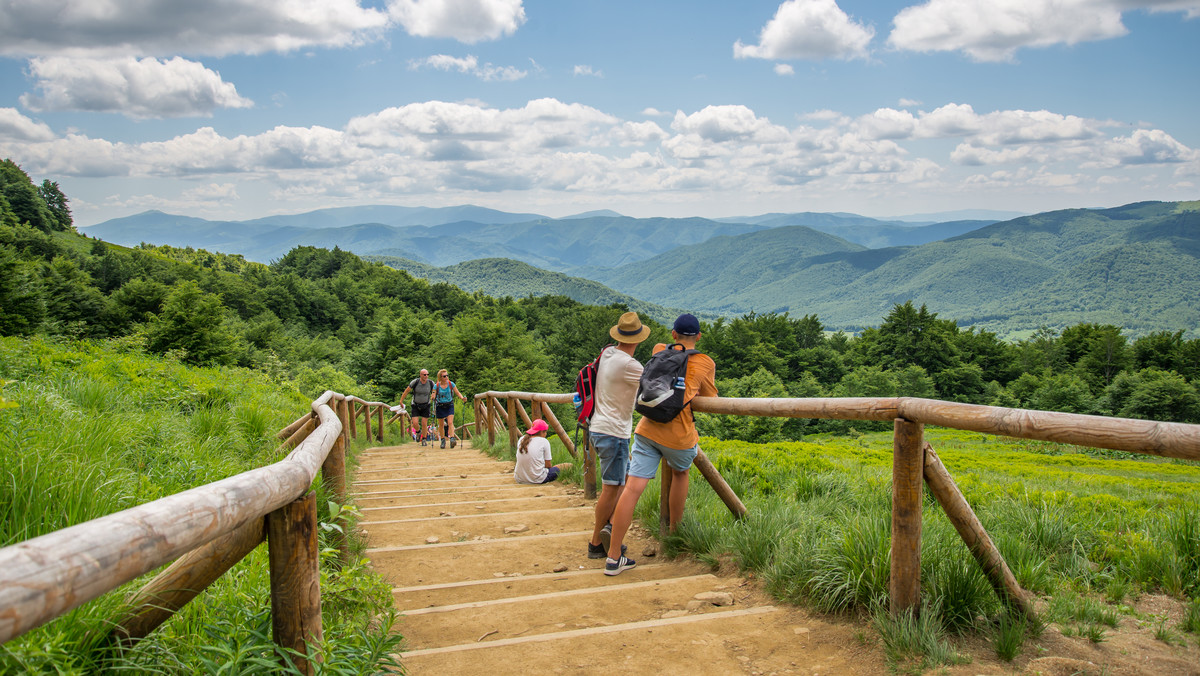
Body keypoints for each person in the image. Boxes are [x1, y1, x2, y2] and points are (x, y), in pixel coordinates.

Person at [603, 313, 716, 576]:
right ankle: (674, 534)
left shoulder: (658, 350)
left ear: (673, 334)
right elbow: (710, 395)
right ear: (698, 336)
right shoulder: (705, 361)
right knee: (681, 473)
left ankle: (613, 556)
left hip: (647, 429)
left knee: (632, 488)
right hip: (679, 435)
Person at [586, 312, 649, 560]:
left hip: (598, 426)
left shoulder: (609, 353)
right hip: (614, 432)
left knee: (621, 483)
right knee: (612, 488)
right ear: (639, 339)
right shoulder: (631, 365)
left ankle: (609, 528)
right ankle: (596, 542)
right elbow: (654, 387)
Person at [514, 419, 573, 484]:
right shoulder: (544, 441)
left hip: (519, 478)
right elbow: (548, 465)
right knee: (568, 465)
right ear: (542, 432)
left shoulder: (522, 439)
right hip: (538, 479)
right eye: (546, 432)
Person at [433, 368, 467, 448]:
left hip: (449, 405)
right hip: (440, 405)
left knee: (450, 422)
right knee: (441, 424)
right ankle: (443, 440)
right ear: (440, 377)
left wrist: (462, 398)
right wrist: (433, 396)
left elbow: (457, 392)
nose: (446, 377)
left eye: (447, 375)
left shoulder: (451, 384)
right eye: (444, 376)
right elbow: (433, 393)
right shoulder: (436, 385)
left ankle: (452, 438)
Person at [399, 369, 435, 446]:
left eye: (427, 374)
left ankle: (424, 439)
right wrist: (401, 401)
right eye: (424, 374)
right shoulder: (415, 382)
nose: (426, 376)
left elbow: (435, 391)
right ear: (420, 375)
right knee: (415, 422)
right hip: (415, 404)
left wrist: (433, 396)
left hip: (426, 405)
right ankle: (418, 432)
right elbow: (406, 391)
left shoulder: (431, 383)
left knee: (424, 423)